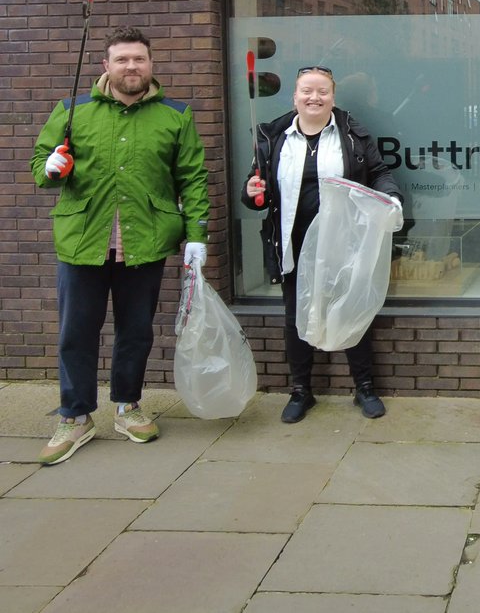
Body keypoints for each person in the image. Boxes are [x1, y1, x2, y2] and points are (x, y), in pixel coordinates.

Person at [31, 27, 210, 465]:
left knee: (136, 332)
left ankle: (127, 406)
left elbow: (192, 178)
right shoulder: (73, 110)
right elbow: (40, 165)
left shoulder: (175, 114)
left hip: (145, 242)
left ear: (151, 65)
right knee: (76, 333)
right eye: (123, 59)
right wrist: (52, 167)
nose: (132, 67)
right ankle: (75, 416)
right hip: (82, 240)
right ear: (105, 66)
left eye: (140, 59)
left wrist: (197, 236)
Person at [242, 65, 403, 424]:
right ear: (295, 96)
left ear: (333, 96)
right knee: (294, 317)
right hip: (291, 242)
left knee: (349, 311)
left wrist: (390, 197)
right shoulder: (273, 137)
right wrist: (251, 193)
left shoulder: (352, 134)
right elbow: (255, 190)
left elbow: (379, 172)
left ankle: (364, 388)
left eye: (322, 92)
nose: (314, 98)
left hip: (341, 242)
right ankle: (301, 391)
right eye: (307, 91)